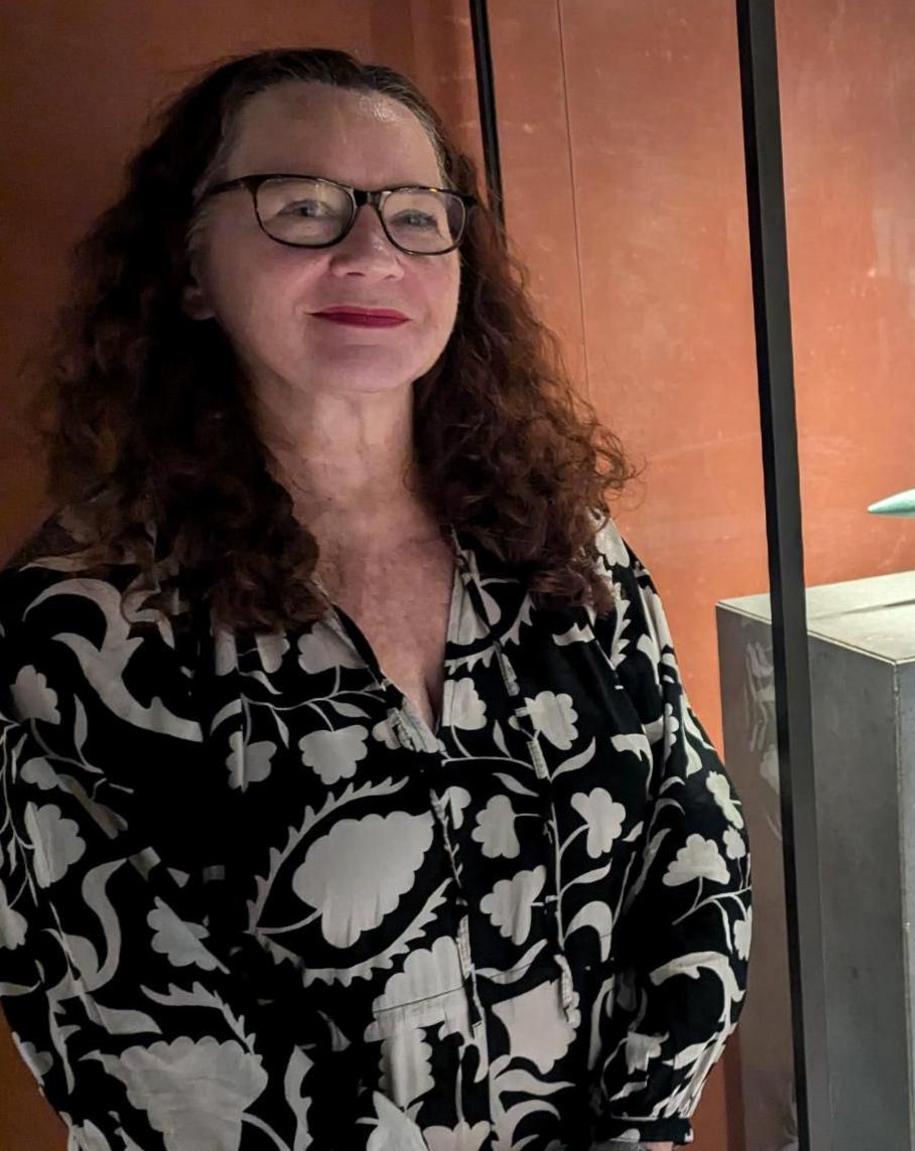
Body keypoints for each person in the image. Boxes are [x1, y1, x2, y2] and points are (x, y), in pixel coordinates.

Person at [0, 49, 750, 1151]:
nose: (371, 250)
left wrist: (638, 1124)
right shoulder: (81, 626)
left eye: (413, 212)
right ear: (192, 266)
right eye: (301, 206)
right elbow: (134, 1031)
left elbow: (691, 839)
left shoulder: (562, 544)